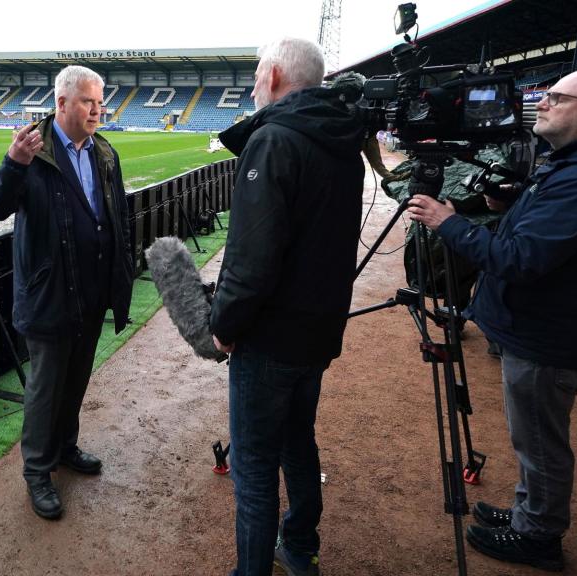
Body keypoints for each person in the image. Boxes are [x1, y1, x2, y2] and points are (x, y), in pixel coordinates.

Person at [407, 69, 577, 571]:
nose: (541, 103)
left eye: (555, 97)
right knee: (533, 438)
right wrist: (511, 203)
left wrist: (446, 221)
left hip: (546, 335)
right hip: (541, 327)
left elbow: (520, 259)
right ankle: (530, 514)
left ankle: (538, 536)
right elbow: (546, 237)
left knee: (541, 444)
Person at [209, 37, 366, 576]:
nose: (254, 84)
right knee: (298, 442)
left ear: (273, 75)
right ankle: (299, 546)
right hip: (317, 333)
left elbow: (252, 258)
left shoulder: (274, 138)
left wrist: (224, 326)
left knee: (253, 470)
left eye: (256, 74)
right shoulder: (344, 139)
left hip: (271, 339)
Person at [0, 65, 133, 520]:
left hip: (92, 292)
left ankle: (66, 447)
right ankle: (37, 472)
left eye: (99, 100)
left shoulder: (103, 152)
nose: (97, 109)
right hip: (49, 296)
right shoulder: (32, 150)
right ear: (62, 103)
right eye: (88, 100)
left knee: (76, 381)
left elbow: (117, 217)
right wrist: (12, 164)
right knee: (46, 391)